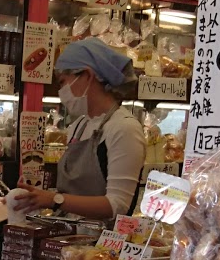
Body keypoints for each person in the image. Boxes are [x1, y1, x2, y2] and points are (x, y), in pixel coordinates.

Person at [21, 35, 146, 222]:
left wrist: (55, 200)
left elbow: (117, 205)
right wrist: (38, 196)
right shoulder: (79, 126)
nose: (61, 91)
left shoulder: (124, 128)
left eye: (63, 81)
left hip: (103, 246)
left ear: (87, 76)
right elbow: (72, 193)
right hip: (69, 238)